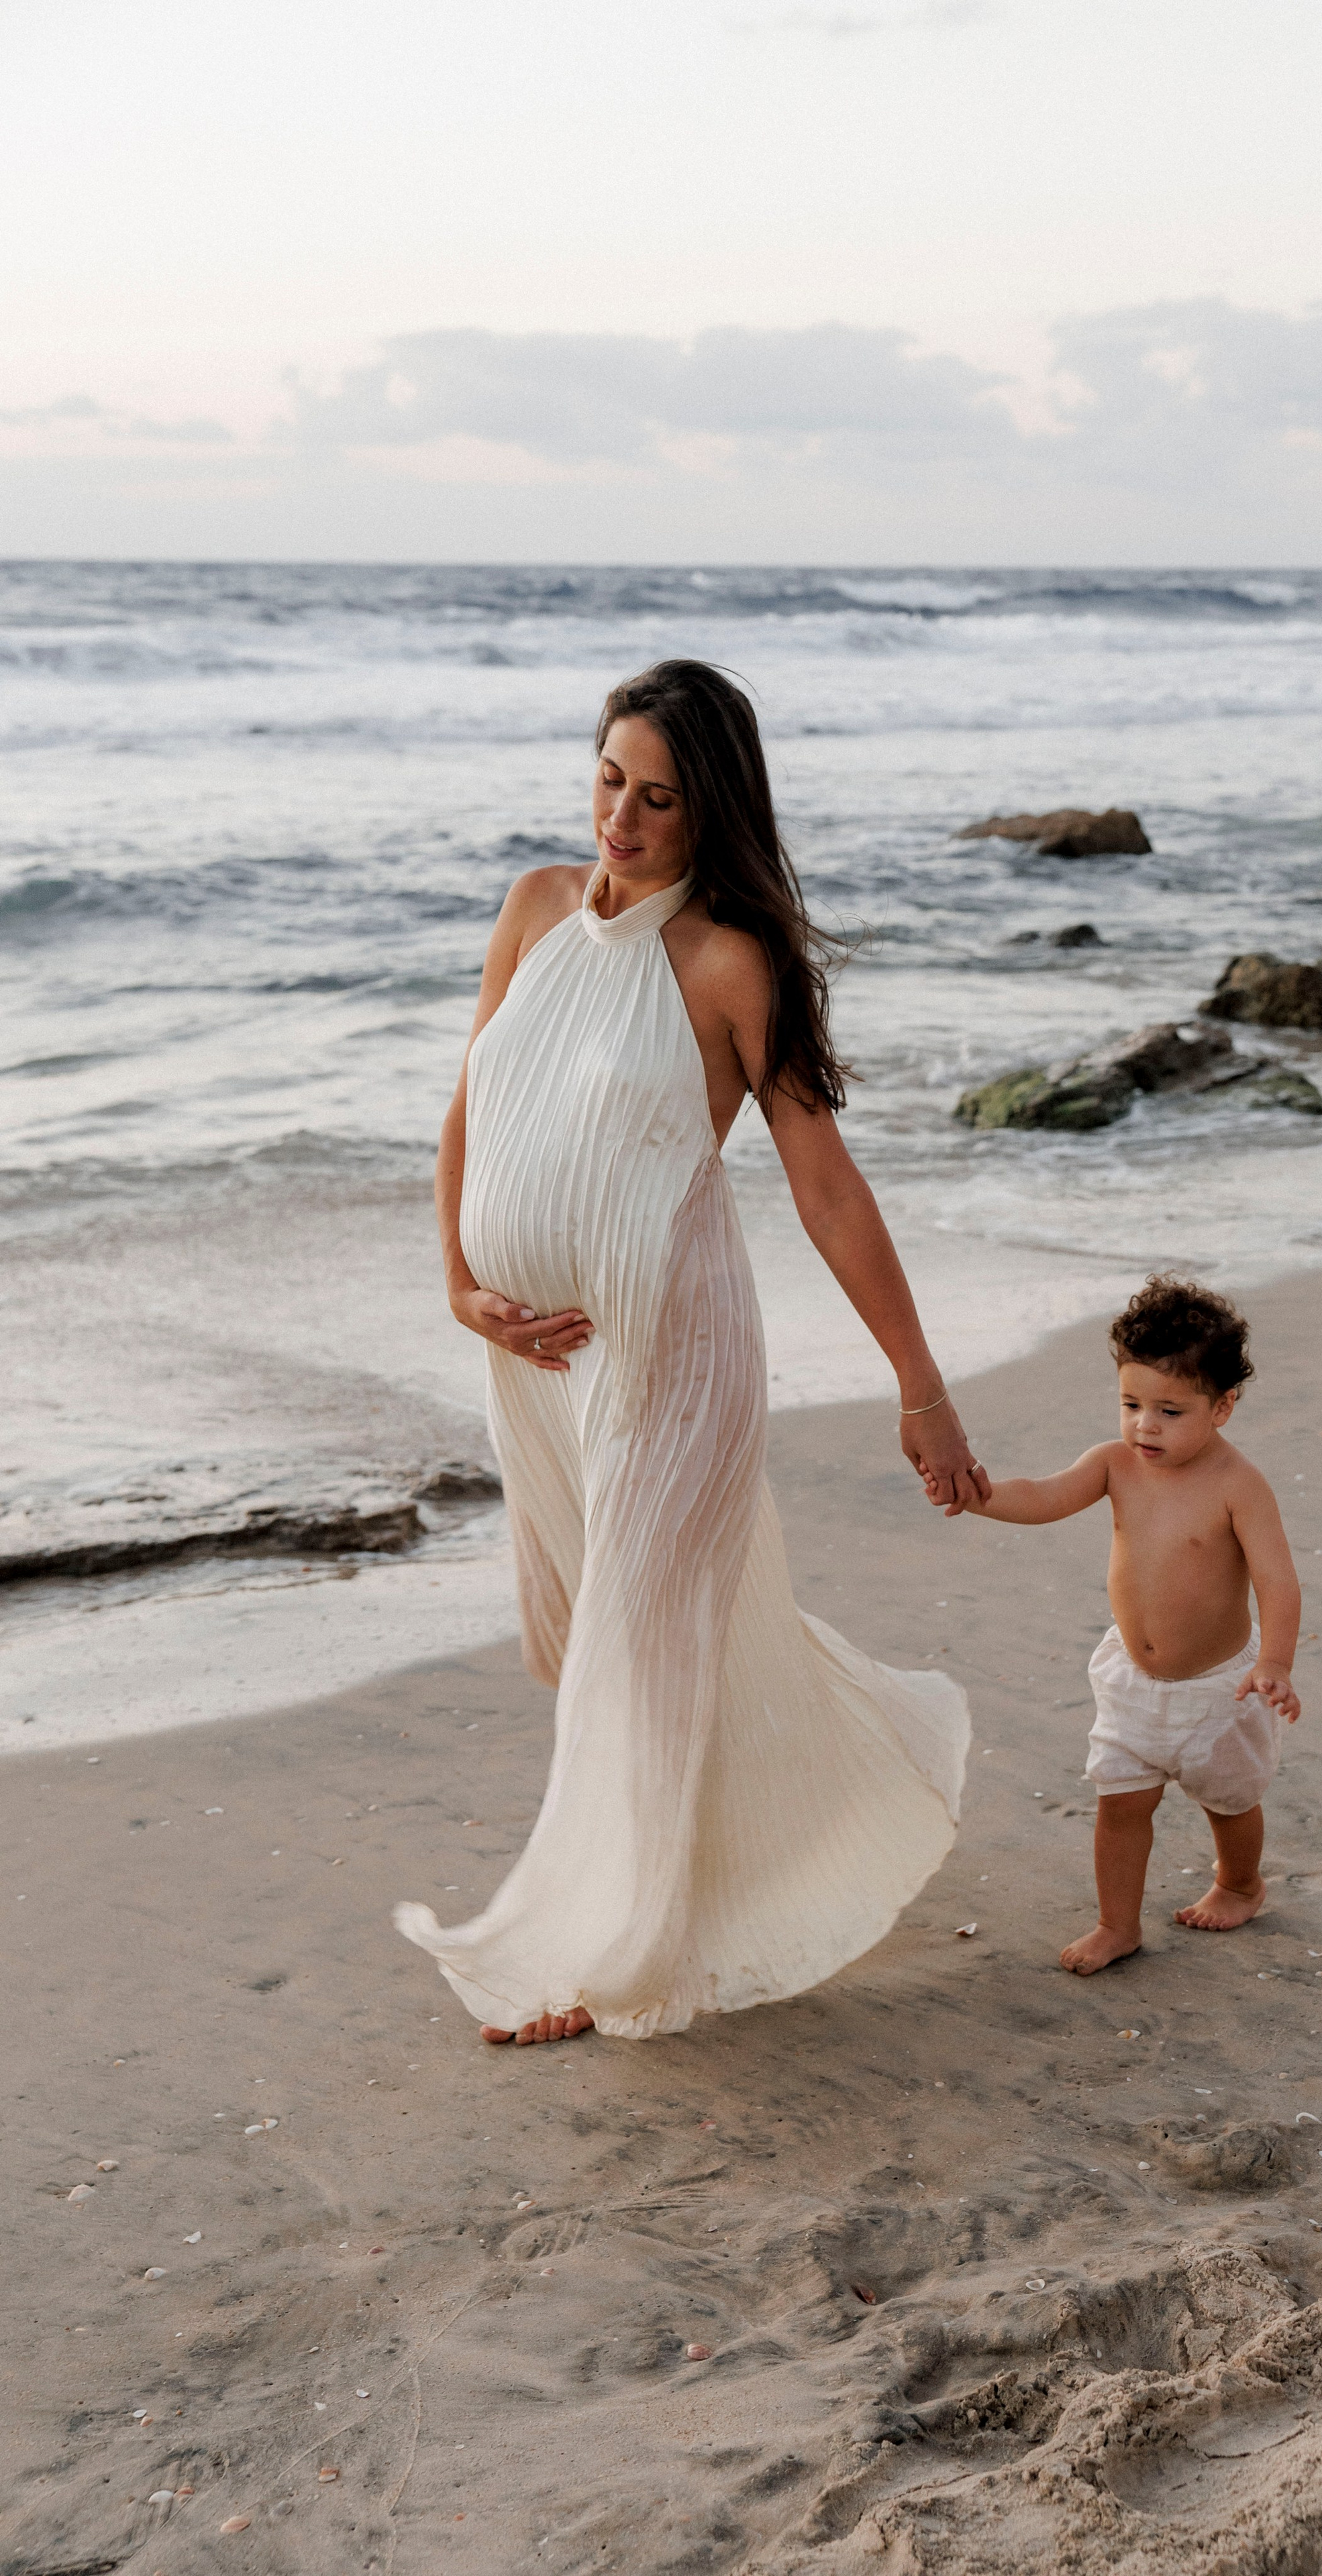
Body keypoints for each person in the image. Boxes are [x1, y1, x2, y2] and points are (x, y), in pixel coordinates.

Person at [395, 660, 987, 2043]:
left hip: (674, 1361)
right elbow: (466, 1115)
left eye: (657, 799)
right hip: (537, 1365)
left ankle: (596, 1960)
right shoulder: (536, 907)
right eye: (609, 779)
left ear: (707, 810)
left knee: (628, 1651)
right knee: (594, 1640)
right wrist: (459, 1285)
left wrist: (921, 1385)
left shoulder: (729, 963)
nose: (621, 817)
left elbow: (826, 1187)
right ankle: (745, 1851)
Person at [939, 1277, 1300, 1970]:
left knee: (1229, 1801)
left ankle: (1238, 1882)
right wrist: (977, 1497)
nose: (1144, 1426)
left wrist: (1275, 1665)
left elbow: (1276, 1580)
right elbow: (1043, 1498)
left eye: (1170, 1411)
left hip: (1218, 1690)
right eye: (1131, 1404)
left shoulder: (1238, 1485)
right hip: (1132, 1682)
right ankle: (1117, 1924)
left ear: (1223, 1407)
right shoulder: (1113, 1465)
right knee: (1120, 1804)